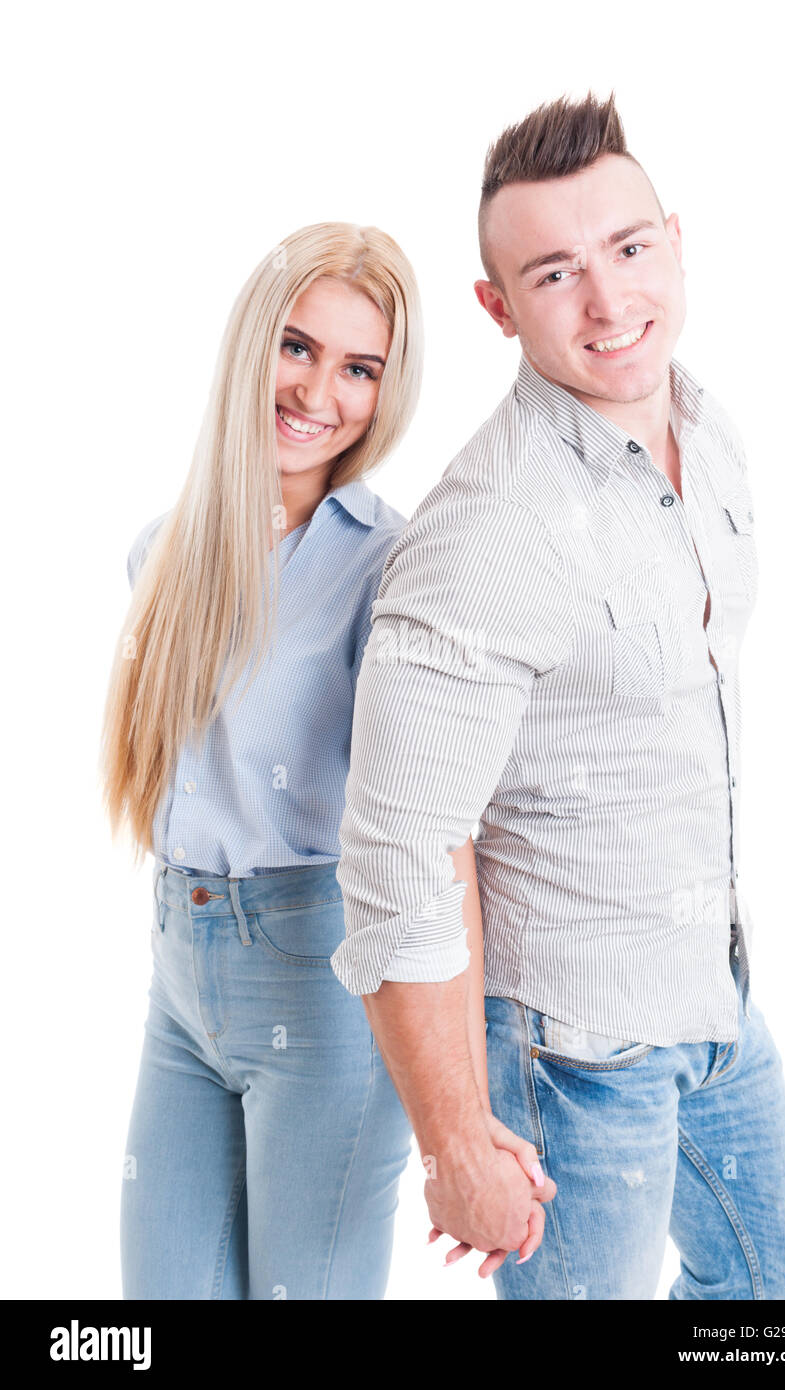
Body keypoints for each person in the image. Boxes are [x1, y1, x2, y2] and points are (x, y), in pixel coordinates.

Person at [330, 93, 785, 1300]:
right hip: (571, 1048)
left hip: (711, 994)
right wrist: (453, 1140)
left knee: (767, 1297)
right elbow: (399, 849)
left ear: (674, 242)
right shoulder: (489, 528)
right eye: (554, 273)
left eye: (627, 249)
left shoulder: (710, 434)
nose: (606, 303)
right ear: (498, 307)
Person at [100, 222, 496, 1299]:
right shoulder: (161, 550)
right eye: (297, 345)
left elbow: (436, 831)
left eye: (359, 366)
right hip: (180, 974)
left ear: (386, 389)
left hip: (318, 978)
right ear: (249, 348)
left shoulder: (389, 568)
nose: (319, 388)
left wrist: (461, 1107)